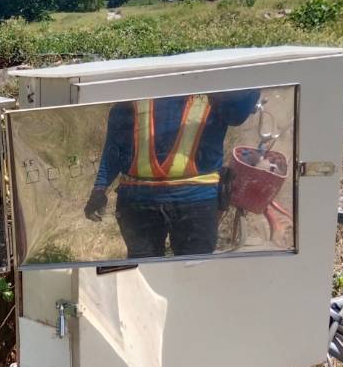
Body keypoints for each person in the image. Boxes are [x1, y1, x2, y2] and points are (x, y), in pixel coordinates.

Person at [84, 90, 260, 258]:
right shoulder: (134, 91)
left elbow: (238, 112)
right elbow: (114, 147)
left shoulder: (213, 85)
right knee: (144, 273)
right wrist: (99, 188)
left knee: (195, 273)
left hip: (196, 200)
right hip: (140, 202)